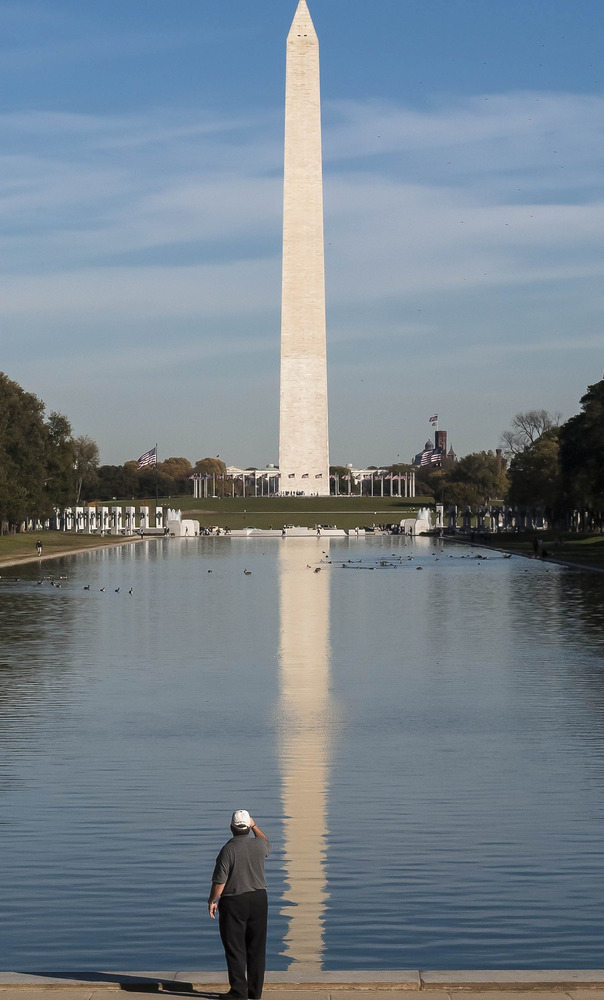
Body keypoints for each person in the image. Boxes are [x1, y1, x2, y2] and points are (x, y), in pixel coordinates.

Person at [208, 810, 271, 1000]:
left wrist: (212, 900)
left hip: (235, 901)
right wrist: (255, 826)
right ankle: (255, 992)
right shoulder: (260, 845)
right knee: (257, 948)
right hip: (259, 900)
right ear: (248, 827)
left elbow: (220, 882)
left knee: (235, 948)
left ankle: (238, 992)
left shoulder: (228, 849)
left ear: (231, 828)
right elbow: (266, 841)